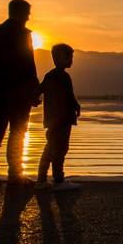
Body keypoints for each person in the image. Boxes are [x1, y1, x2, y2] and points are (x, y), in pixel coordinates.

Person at [0, 0, 40, 187]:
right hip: (19, 93)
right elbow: (28, 65)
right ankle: (15, 175)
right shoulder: (23, 35)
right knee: (18, 133)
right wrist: (35, 91)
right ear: (21, 13)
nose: (29, 17)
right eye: (28, 13)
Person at [36, 43, 81, 191]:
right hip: (61, 120)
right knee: (59, 149)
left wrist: (76, 105)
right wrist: (75, 106)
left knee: (51, 147)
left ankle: (42, 179)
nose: (71, 60)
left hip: (56, 119)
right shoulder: (60, 76)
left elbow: (40, 90)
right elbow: (68, 97)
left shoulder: (53, 76)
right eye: (69, 57)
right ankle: (58, 179)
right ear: (59, 58)